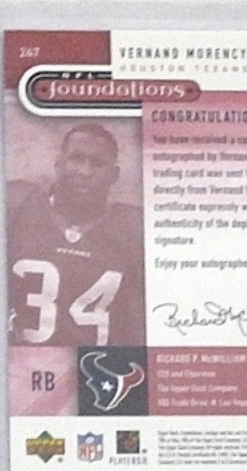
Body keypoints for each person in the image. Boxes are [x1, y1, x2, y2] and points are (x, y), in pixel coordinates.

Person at [7, 122, 145, 347]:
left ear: (114, 175)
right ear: (59, 163)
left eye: (97, 164)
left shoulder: (132, 229)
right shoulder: (17, 208)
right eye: (76, 159)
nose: (85, 172)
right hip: (21, 361)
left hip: (97, 364)